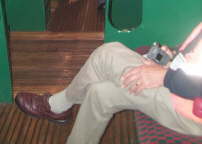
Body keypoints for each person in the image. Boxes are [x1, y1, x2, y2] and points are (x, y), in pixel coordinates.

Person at [15, 22, 202, 144]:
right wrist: (171, 59)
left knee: (107, 54)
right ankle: (60, 110)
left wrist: (163, 76)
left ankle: (57, 106)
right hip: (182, 84)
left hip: (190, 108)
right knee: (100, 93)